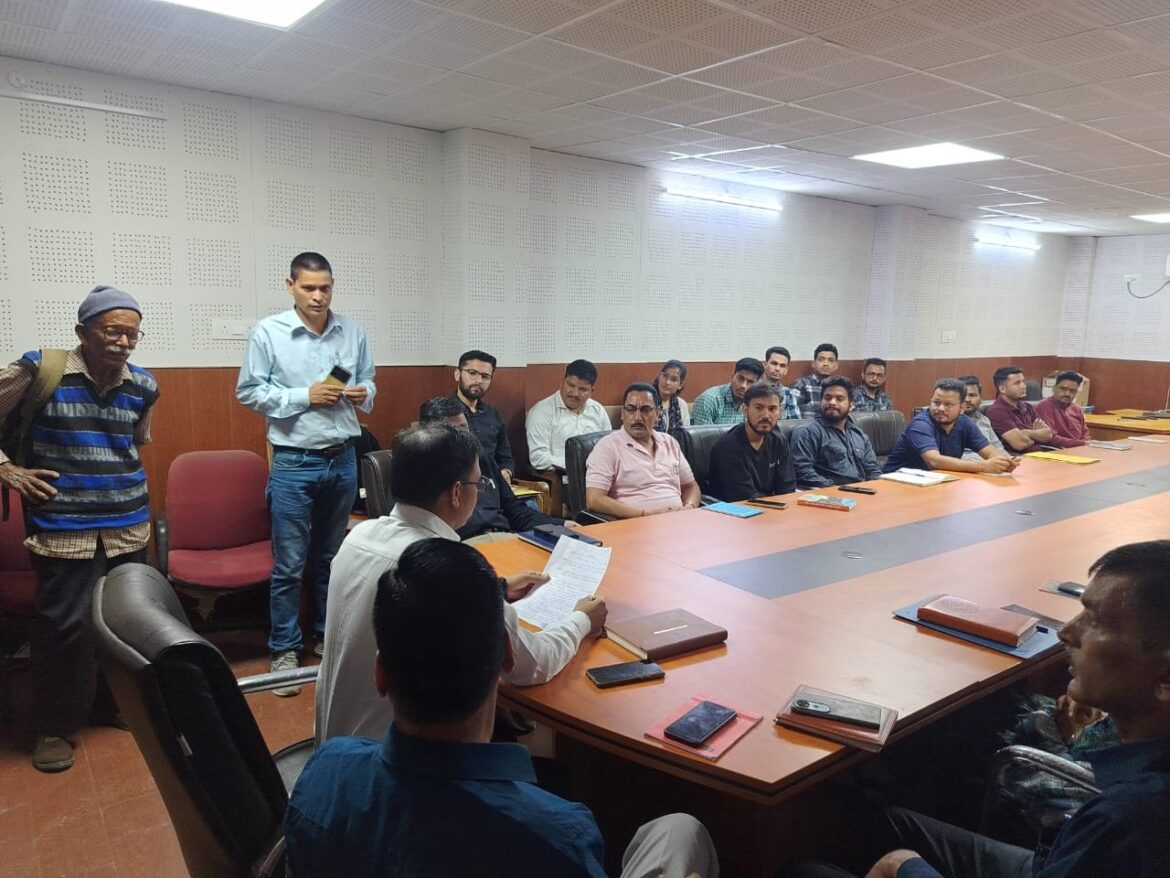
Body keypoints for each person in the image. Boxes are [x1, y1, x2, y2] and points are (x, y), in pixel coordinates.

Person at [288, 538, 719, 878]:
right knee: (680, 830)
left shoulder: (324, 773)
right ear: (507, 658)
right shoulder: (557, 835)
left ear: (380, 673)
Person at [785, 539, 1170, 878]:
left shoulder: (1126, 820)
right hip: (1061, 856)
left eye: (1095, 620)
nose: (1067, 631)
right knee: (889, 822)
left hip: (1065, 854)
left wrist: (902, 866)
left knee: (806, 870)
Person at [315, 422, 605, 744]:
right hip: (396, 759)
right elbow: (533, 664)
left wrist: (497, 588)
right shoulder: (451, 569)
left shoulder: (358, 537)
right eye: (477, 483)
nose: (478, 491)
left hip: (335, 746)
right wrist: (582, 620)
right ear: (456, 493)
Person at [0, 286, 158, 773]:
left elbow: (134, 442)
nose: (123, 342)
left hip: (127, 525)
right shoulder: (40, 371)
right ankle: (53, 727)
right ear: (82, 332)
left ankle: (111, 705)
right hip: (63, 525)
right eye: (112, 331)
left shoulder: (144, 385)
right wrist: (8, 470)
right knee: (64, 628)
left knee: (122, 624)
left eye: (132, 334)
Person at [236, 251, 376, 695]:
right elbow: (248, 392)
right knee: (290, 564)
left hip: (343, 458)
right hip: (294, 461)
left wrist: (363, 393)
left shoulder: (352, 330)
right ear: (290, 286)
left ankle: (326, 637)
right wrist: (304, 397)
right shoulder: (269, 332)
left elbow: (370, 381)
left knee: (333, 559)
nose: (318, 296)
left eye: (325, 288)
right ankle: (284, 649)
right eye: (309, 288)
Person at [418, 396, 563, 541]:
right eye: (453, 431)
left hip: (506, 536)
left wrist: (562, 525)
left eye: (464, 428)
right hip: (464, 543)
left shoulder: (482, 459)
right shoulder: (423, 472)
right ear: (429, 436)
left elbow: (516, 512)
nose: (462, 437)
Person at [585, 383, 701, 519]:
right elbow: (594, 499)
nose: (638, 417)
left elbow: (690, 486)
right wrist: (645, 515)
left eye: (646, 410)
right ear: (623, 413)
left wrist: (689, 507)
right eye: (631, 409)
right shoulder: (608, 447)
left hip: (679, 520)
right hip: (635, 523)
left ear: (657, 414)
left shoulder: (669, 443)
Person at [883, 378, 1020, 475]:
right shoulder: (920, 424)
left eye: (948, 404)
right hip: (898, 484)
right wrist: (983, 466)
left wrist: (1005, 462)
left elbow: (990, 452)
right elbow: (934, 461)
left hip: (938, 482)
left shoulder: (965, 423)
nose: (940, 408)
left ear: (962, 407)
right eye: (936, 402)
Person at [707, 382, 796, 501]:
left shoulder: (779, 441)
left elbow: (787, 489)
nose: (766, 415)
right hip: (736, 509)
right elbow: (744, 498)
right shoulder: (728, 446)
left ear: (779, 412)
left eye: (772, 409)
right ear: (745, 410)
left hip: (771, 506)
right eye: (759, 408)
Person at [790, 377, 882, 488]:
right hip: (828, 493)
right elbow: (801, 471)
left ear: (851, 405)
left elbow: (872, 470)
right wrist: (837, 488)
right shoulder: (808, 431)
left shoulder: (859, 435)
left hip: (862, 491)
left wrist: (879, 486)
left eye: (839, 399)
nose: (832, 402)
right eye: (827, 398)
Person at [526, 359, 610, 471]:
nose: (575, 394)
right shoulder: (541, 412)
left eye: (582, 389)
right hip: (563, 476)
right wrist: (577, 465)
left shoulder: (598, 411)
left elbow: (609, 449)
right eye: (571, 385)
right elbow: (538, 458)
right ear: (562, 383)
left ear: (591, 391)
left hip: (600, 474)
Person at [451, 349, 515, 483]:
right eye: (472, 373)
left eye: (485, 376)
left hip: (494, 484)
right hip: (461, 485)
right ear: (457, 374)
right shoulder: (445, 413)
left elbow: (506, 457)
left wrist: (506, 472)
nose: (479, 380)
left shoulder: (493, 414)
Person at [986, 365, 1052, 453]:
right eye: (1017, 383)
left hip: (1040, 455)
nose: (1024, 386)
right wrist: (1036, 433)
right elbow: (1020, 444)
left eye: (1023, 381)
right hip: (1019, 458)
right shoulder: (997, 411)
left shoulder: (1027, 407)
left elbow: (1048, 435)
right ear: (1002, 389)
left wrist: (1027, 432)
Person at [691, 357, 764, 425]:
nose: (743, 386)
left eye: (750, 382)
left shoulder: (756, 403)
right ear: (732, 376)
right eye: (740, 378)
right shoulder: (708, 400)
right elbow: (704, 434)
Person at [1035, 371, 1091, 448]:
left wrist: (1086, 444)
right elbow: (1051, 438)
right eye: (1063, 389)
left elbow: (1085, 434)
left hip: (1079, 449)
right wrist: (1082, 444)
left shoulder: (1076, 409)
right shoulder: (1044, 407)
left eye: (1072, 391)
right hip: (1057, 450)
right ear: (1054, 388)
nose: (1067, 393)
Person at [957, 374, 1005, 461]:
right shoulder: (949, 423)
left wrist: (1009, 460)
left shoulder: (984, 420)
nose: (967, 399)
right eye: (963, 395)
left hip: (993, 464)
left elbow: (999, 448)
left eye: (972, 395)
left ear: (981, 399)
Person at [792, 343, 840, 411]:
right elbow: (790, 409)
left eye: (831, 360)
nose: (825, 364)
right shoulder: (801, 384)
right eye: (821, 359)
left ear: (836, 366)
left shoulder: (841, 386)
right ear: (814, 364)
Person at [763, 346, 801, 420]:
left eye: (782, 366)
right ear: (765, 365)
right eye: (774, 364)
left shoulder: (787, 393)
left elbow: (796, 422)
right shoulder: (751, 388)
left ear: (786, 370)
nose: (777, 369)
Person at [653, 358, 691, 432]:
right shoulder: (648, 401)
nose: (667, 382)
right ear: (660, 376)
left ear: (680, 385)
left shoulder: (681, 405)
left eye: (673, 380)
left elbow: (686, 434)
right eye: (665, 376)